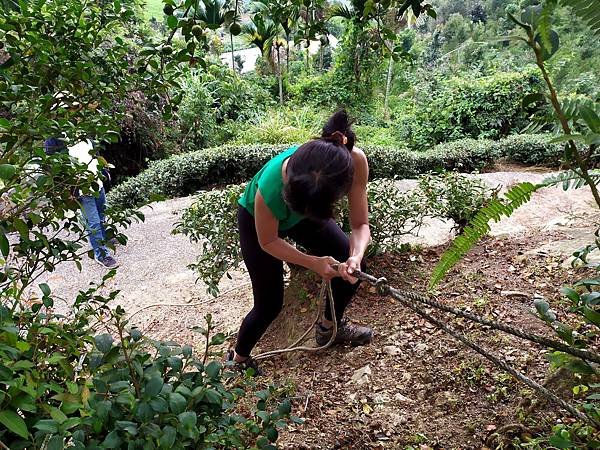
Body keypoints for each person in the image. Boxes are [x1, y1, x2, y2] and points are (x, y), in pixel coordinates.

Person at [228, 110, 372, 373]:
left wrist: (356, 255)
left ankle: (330, 328)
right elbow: (269, 241)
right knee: (268, 304)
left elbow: (360, 225)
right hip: (258, 222)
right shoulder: (271, 187)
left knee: (352, 270)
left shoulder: (354, 162)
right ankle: (238, 358)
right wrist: (313, 262)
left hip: (309, 207)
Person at [44, 137, 117, 268]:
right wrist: (66, 191)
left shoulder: (84, 130)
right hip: (82, 190)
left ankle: (104, 239)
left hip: (97, 184)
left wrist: (104, 171)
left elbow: (95, 153)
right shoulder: (55, 139)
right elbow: (52, 166)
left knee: (102, 214)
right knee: (93, 222)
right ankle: (101, 254)